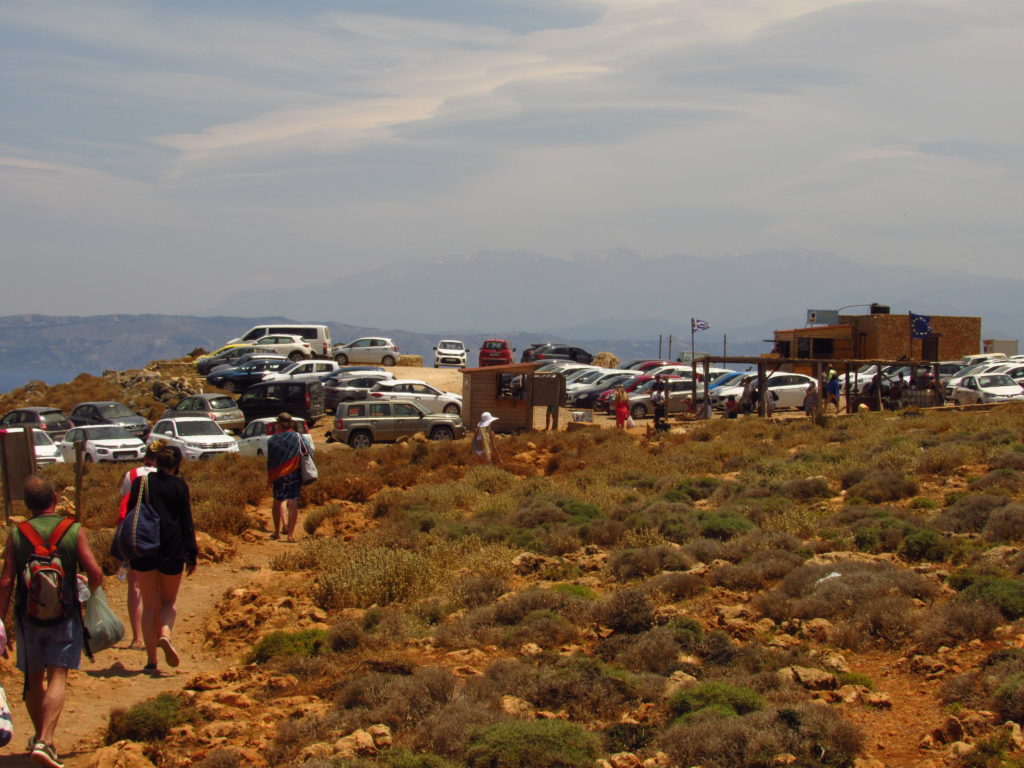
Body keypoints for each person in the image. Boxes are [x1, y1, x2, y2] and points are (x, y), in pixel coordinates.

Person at [0, 474, 103, 767]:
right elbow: (95, 573)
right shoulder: (72, 530)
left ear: (28, 504)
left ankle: (39, 737)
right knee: (58, 674)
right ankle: (46, 740)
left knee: (33, 677)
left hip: (27, 616)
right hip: (65, 614)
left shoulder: (17, 533)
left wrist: (2, 620)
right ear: (55, 500)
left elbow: (6, 580)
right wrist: (91, 595)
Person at [126, 446, 197, 674]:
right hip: (172, 549)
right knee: (168, 602)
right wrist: (192, 553)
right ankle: (165, 634)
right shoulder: (179, 486)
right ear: (176, 464)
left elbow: (131, 515)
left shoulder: (141, 484)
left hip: (145, 549)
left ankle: (150, 660)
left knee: (149, 606)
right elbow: (186, 520)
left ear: (155, 462)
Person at [118, 440, 162, 650]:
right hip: (157, 534)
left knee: (134, 585)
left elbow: (124, 500)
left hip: (134, 534)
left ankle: (137, 638)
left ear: (145, 456)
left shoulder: (132, 474)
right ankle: (156, 634)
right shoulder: (165, 476)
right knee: (157, 586)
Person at [267, 413, 312, 542]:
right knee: (293, 503)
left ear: (279, 424)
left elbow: (271, 461)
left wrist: (269, 478)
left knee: (277, 502)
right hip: (293, 473)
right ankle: (290, 535)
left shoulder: (272, 440)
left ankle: (276, 532)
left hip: (278, 475)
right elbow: (308, 451)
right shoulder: (297, 437)